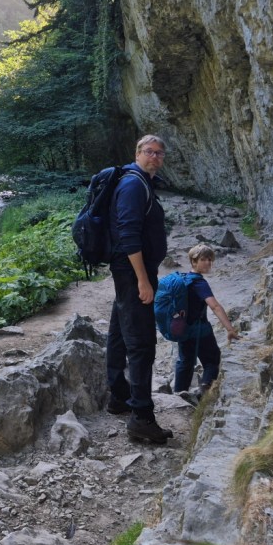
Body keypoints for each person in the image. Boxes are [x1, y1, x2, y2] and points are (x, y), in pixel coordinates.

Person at [105, 135, 172, 444]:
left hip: (128, 271)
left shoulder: (140, 182)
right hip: (134, 272)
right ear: (137, 153)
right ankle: (141, 417)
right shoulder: (134, 185)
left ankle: (119, 397)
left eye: (159, 153)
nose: (155, 157)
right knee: (141, 342)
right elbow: (129, 234)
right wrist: (143, 280)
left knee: (120, 331)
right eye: (149, 152)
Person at [174, 244, 241, 404]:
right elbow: (215, 306)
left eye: (210, 260)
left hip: (181, 328)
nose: (208, 263)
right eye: (203, 259)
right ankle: (203, 392)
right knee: (212, 359)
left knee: (185, 361)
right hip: (199, 329)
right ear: (193, 261)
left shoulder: (183, 279)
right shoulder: (199, 283)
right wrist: (230, 329)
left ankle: (178, 395)